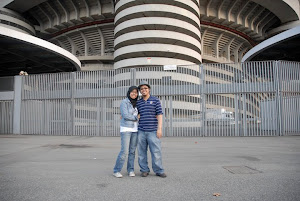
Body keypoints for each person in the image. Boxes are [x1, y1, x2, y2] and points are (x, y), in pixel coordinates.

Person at [137, 80, 167, 178]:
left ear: (149, 89)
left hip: (153, 131)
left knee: (156, 152)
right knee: (141, 152)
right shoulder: (139, 102)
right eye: (141, 89)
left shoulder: (155, 100)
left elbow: (159, 114)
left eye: (145, 88)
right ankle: (144, 170)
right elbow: (136, 114)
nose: (143, 90)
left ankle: (159, 170)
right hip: (141, 131)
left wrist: (159, 129)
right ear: (140, 91)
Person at [113, 86, 139, 178]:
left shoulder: (137, 103)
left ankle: (130, 170)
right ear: (129, 92)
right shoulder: (124, 102)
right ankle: (116, 170)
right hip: (126, 129)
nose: (134, 94)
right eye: (132, 92)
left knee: (132, 151)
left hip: (135, 129)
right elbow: (125, 115)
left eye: (136, 92)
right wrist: (136, 118)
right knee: (124, 151)